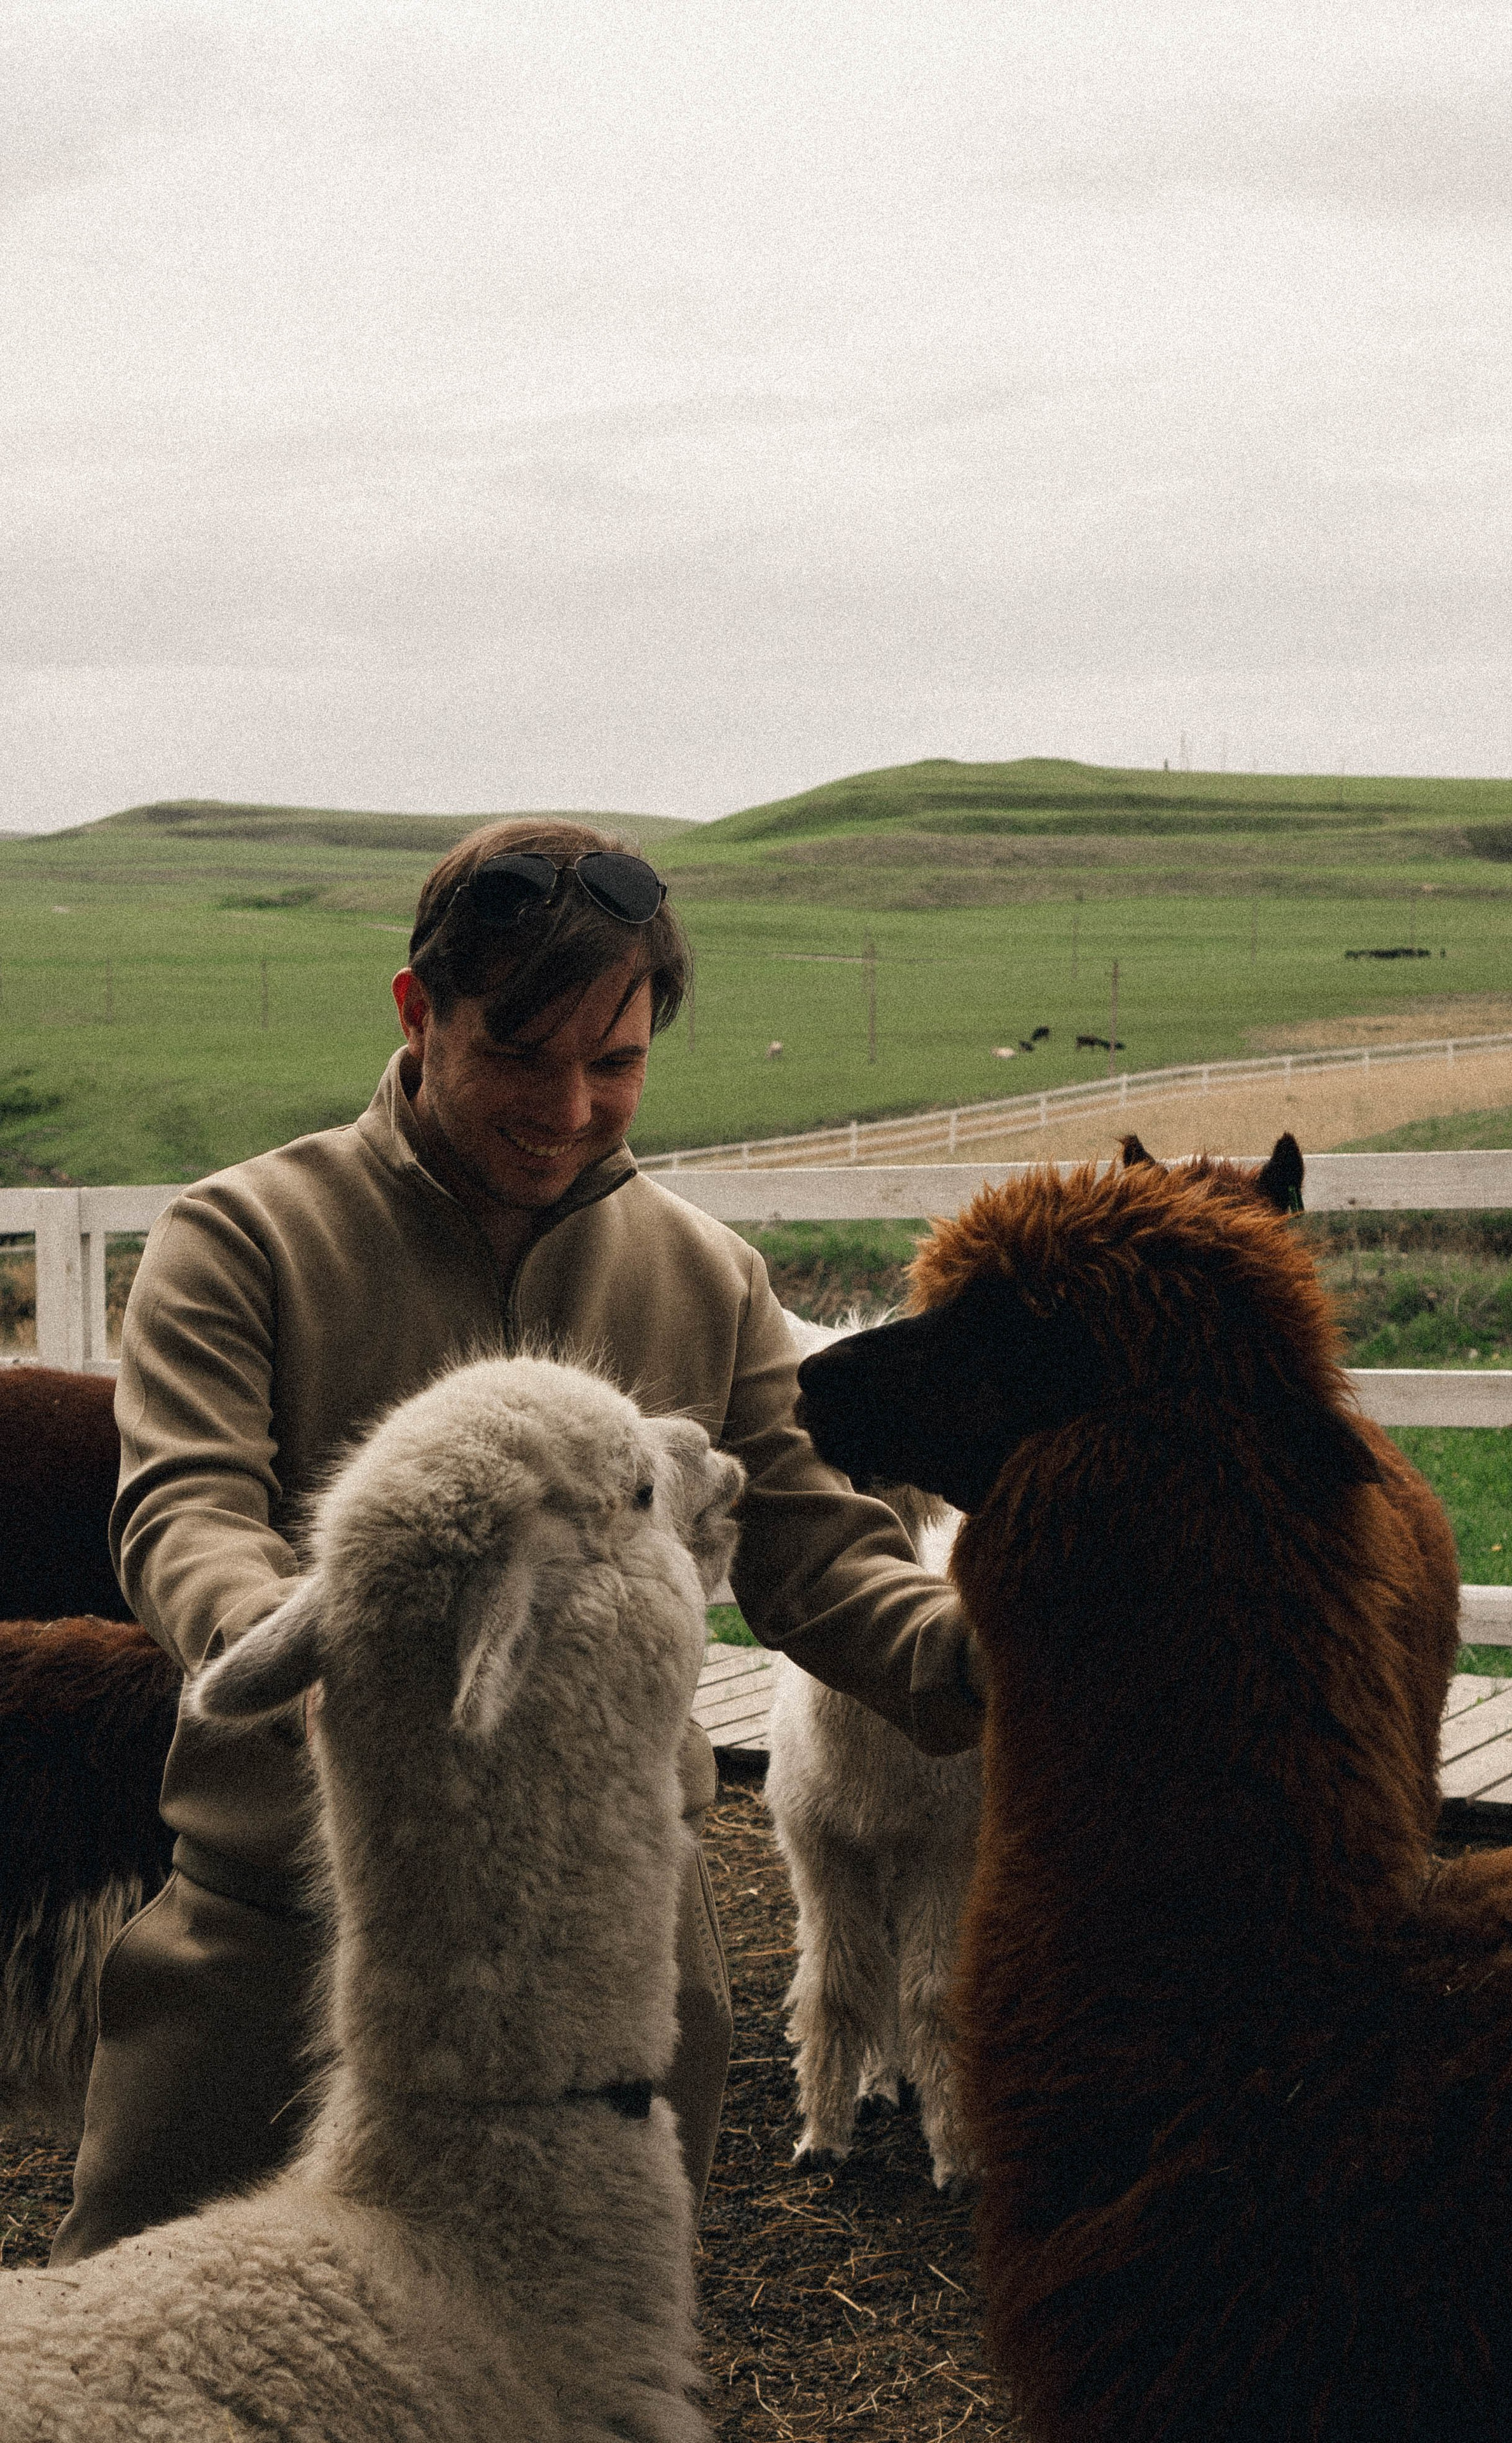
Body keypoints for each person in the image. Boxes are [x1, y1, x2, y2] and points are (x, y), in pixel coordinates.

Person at [52, 816, 984, 2266]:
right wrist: (303, 1638)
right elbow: (186, 1506)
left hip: (615, 1959)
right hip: (290, 1932)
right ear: (418, 1014)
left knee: (575, 2371)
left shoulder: (700, 1276)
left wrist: (997, 1653)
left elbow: (817, 1550)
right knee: (170, 2356)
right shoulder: (242, 1240)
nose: (564, 1108)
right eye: (517, 1054)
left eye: (611, 1064)